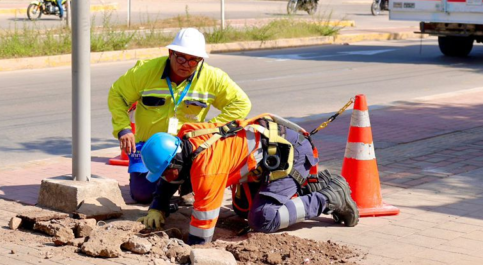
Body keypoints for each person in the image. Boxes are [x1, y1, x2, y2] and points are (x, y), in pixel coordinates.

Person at [136, 117, 359, 244]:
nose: (164, 179)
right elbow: (171, 176)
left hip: (291, 152)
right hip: (268, 154)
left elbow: (202, 233)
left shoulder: (206, 170)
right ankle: (313, 187)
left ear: (176, 162)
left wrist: (186, 249)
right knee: (242, 209)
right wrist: (158, 207)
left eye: (166, 173)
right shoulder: (186, 139)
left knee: (263, 219)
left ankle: (328, 196)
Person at [107, 28, 251, 204]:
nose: (186, 64)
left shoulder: (213, 77)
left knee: (196, 193)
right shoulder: (145, 71)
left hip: (187, 147)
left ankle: (184, 183)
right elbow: (117, 95)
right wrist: (123, 128)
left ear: (201, 60)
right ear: (170, 53)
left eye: (193, 60)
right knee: (142, 196)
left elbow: (242, 104)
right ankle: (159, 181)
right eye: (181, 57)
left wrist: (207, 130)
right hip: (149, 148)